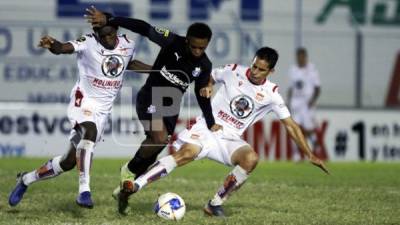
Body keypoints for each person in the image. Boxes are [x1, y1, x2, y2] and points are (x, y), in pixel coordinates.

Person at [113, 47, 329, 215]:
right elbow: (209, 77)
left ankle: (214, 204)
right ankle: (135, 185)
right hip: (207, 127)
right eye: (254, 65)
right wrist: (208, 85)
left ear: (271, 71)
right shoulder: (233, 71)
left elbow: (290, 124)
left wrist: (308, 153)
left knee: (251, 159)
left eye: (261, 69)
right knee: (186, 153)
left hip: (230, 137)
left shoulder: (271, 94)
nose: (254, 72)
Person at [85, 6, 222, 208]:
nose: (197, 51)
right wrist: (111, 19)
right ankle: (128, 171)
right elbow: (144, 27)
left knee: (157, 146)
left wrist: (211, 122)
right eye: (194, 47)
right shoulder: (172, 41)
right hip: (150, 95)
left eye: (202, 48)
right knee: (158, 138)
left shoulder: (204, 65)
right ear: (187, 41)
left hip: (172, 103)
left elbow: (201, 95)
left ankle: (125, 189)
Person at [8, 23, 150, 209]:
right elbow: (62, 48)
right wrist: (53, 45)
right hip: (83, 101)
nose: (108, 39)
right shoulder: (88, 42)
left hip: (103, 111)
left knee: (68, 162)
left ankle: (26, 179)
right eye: (103, 36)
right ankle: (84, 191)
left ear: (117, 32)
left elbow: (127, 63)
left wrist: (155, 70)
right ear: (96, 34)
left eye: (111, 35)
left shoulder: (128, 44)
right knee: (89, 132)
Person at [288, 47, 321, 159]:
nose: (300, 59)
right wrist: (288, 102)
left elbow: (317, 88)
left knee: (308, 129)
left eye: (302, 57)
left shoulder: (312, 70)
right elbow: (291, 87)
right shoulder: (293, 70)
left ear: (305, 57)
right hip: (296, 102)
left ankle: (315, 146)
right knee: (294, 128)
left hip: (307, 102)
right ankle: (296, 154)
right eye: (298, 57)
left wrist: (312, 101)